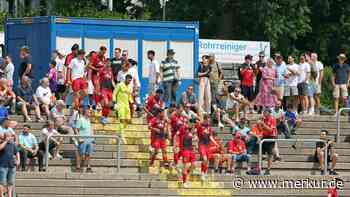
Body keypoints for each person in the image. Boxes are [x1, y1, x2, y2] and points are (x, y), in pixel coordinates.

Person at [196, 114, 217, 181]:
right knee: (204, 159)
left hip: (208, 145)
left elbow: (210, 136)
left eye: (209, 121)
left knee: (207, 161)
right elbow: (197, 134)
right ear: (204, 120)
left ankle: (204, 173)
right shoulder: (200, 126)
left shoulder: (209, 127)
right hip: (202, 144)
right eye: (207, 120)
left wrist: (215, 142)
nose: (208, 122)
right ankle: (202, 173)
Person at [113, 74, 133, 143]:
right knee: (122, 120)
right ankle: (122, 135)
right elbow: (114, 94)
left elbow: (129, 96)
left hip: (126, 106)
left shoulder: (130, 87)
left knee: (127, 120)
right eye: (128, 80)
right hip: (120, 105)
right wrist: (115, 103)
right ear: (125, 79)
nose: (129, 81)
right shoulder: (119, 85)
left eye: (130, 80)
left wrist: (133, 103)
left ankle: (118, 132)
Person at [257, 108, 277, 175]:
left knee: (270, 154)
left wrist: (263, 124)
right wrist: (259, 124)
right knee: (260, 153)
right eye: (263, 112)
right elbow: (261, 129)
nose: (263, 114)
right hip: (264, 137)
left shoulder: (272, 119)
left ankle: (268, 169)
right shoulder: (263, 119)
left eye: (265, 112)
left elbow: (271, 130)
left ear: (268, 113)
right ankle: (259, 167)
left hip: (271, 137)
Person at [0, 132, 19, 197]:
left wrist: (18, 160)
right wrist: (5, 141)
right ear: (4, 137)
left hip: (12, 166)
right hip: (3, 166)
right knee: (2, 182)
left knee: (10, 183)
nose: (9, 137)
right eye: (7, 136)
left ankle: (9, 195)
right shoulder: (1, 143)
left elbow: (17, 152)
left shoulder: (13, 144)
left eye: (10, 136)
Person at [75, 108, 95, 173]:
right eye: (88, 112)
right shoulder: (80, 119)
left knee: (89, 154)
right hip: (83, 139)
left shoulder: (88, 120)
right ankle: (78, 167)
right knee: (81, 153)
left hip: (90, 139)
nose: (90, 113)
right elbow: (76, 129)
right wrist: (79, 138)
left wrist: (93, 138)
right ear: (85, 112)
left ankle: (88, 167)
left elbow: (90, 129)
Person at [178, 121, 197, 188]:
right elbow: (179, 136)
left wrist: (194, 145)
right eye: (193, 127)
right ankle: (184, 182)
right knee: (185, 166)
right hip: (185, 150)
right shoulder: (185, 133)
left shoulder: (193, 134)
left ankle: (186, 175)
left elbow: (194, 142)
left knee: (194, 165)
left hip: (191, 150)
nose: (195, 128)